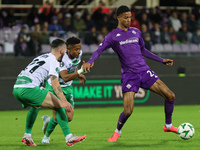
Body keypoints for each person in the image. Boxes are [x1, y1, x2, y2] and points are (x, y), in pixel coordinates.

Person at [82, 5, 178, 142]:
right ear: (118, 17)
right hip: (130, 75)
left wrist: (161, 60)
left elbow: (143, 50)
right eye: (126, 17)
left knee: (170, 95)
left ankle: (168, 125)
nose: (129, 20)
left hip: (144, 71)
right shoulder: (112, 36)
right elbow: (99, 50)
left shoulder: (136, 32)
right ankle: (117, 131)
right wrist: (90, 61)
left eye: (130, 17)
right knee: (128, 111)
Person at [12, 38, 86, 147]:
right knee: (59, 104)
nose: (64, 54)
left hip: (17, 87)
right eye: (64, 51)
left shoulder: (42, 57)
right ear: (61, 51)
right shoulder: (54, 61)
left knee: (36, 106)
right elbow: (55, 83)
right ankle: (69, 137)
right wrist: (64, 101)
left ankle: (27, 135)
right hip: (29, 88)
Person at [41, 36, 87, 143]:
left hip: (68, 88)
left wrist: (77, 74)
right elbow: (65, 77)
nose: (79, 51)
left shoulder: (79, 54)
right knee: (60, 112)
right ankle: (48, 137)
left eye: (79, 48)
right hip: (55, 87)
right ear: (68, 49)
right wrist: (80, 72)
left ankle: (48, 121)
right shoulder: (61, 58)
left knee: (69, 117)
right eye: (76, 49)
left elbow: (73, 65)